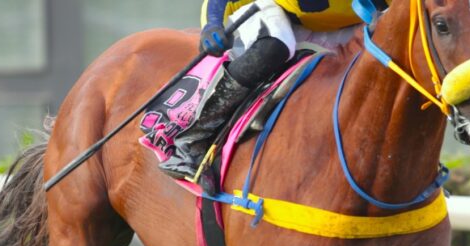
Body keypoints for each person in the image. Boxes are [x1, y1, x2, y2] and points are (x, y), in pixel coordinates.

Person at [159, 0, 389, 179]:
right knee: (275, 47)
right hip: (276, 10)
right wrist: (212, 25)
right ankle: (191, 142)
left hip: (344, 24)